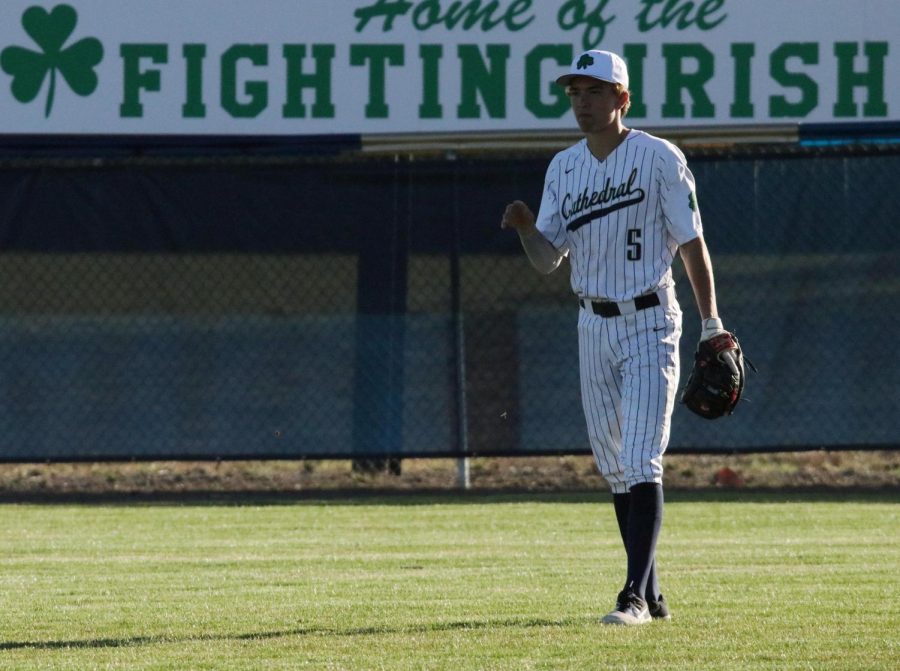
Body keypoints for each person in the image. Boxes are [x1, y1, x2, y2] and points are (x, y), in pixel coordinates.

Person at [501, 50, 727, 626]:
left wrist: (712, 323)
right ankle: (651, 592)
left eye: (595, 91)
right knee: (614, 465)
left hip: (652, 319)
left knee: (641, 457)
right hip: (591, 323)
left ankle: (631, 596)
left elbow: (692, 243)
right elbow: (549, 262)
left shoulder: (659, 158)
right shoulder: (563, 168)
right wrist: (528, 229)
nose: (583, 102)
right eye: (575, 92)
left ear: (622, 99)